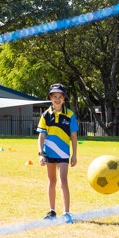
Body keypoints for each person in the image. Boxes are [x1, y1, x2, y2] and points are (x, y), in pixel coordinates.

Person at [37, 83, 78, 223]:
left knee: (63, 181)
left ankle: (67, 212)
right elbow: (41, 136)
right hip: (49, 154)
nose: (57, 99)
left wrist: (74, 155)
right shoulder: (45, 115)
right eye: (54, 96)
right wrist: (41, 153)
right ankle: (52, 211)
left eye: (60, 96)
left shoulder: (70, 115)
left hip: (63, 154)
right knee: (51, 181)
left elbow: (73, 136)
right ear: (50, 97)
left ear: (64, 98)